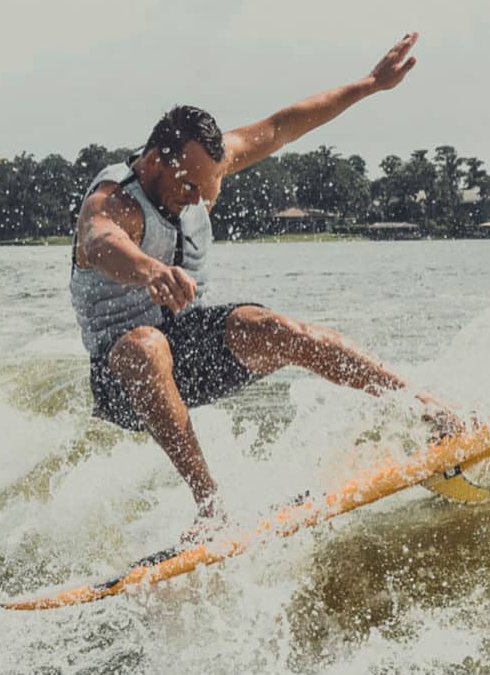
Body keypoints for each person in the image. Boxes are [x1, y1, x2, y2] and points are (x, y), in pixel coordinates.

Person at [71, 32, 460, 530]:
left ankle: (425, 407)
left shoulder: (201, 168)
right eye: (188, 186)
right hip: (123, 379)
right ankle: (212, 510)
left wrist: (368, 85)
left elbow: (281, 127)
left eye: (206, 189)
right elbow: (97, 243)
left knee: (271, 326)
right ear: (152, 163)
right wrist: (151, 270)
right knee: (147, 346)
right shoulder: (114, 200)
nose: (196, 200)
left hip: (189, 354)